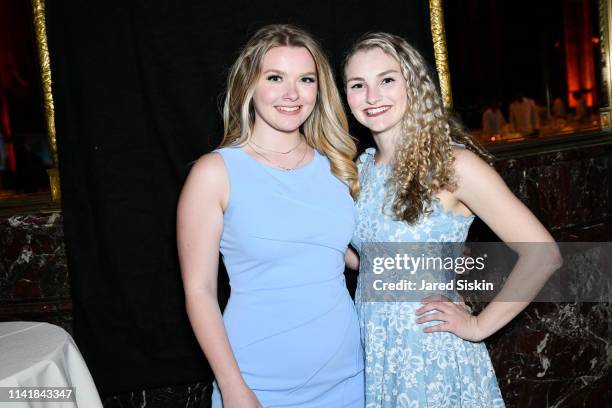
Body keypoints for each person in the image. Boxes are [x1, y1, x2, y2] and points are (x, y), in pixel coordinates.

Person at [343, 32, 561, 407]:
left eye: (387, 80)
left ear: (414, 85)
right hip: (374, 350)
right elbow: (372, 263)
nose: (372, 96)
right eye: (358, 85)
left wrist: (477, 327)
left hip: (430, 354)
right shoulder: (359, 171)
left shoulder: (453, 165)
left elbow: (544, 255)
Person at [177, 24, 364, 408]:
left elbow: (350, 257)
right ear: (249, 85)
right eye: (275, 77)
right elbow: (199, 292)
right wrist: (232, 387)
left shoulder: (339, 166)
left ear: (319, 88)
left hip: (351, 379)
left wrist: (453, 288)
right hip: (257, 385)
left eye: (306, 79)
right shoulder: (214, 173)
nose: (292, 94)